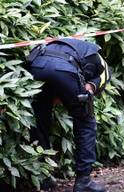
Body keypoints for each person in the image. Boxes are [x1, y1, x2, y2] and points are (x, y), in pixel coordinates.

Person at [27, 38, 110, 192]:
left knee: (39, 122)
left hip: (36, 67)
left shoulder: (66, 46)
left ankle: (43, 177)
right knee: (85, 121)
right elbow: (101, 79)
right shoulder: (100, 63)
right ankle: (84, 181)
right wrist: (90, 89)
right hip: (64, 69)